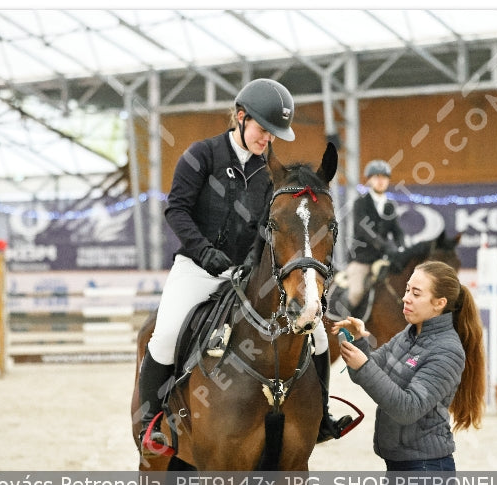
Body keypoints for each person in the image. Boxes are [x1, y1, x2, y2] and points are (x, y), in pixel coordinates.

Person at [138, 78, 351, 456]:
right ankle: (152, 424)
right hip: (198, 268)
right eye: (262, 130)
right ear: (240, 117)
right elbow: (177, 210)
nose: (266, 139)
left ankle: (321, 418)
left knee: (315, 333)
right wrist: (204, 252)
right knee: (166, 333)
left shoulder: (273, 172)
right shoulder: (201, 155)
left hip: (250, 273)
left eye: (273, 134)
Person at [331, 260, 485, 485]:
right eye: (406, 290)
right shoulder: (408, 333)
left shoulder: (447, 351)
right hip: (399, 466)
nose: (405, 298)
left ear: (439, 303)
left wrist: (363, 365)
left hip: (425, 472)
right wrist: (359, 341)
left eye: (416, 293)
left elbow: (407, 408)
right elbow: (369, 370)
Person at [344, 159, 405, 312]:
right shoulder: (360, 203)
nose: (380, 181)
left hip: (382, 260)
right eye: (376, 177)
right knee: (356, 292)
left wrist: (401, 247)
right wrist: (384, 246)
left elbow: (397, 230)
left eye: (384, 177)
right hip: (361, 259)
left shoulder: (390, 205)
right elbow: (364, 231)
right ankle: (345, 327)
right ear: (369, 179)